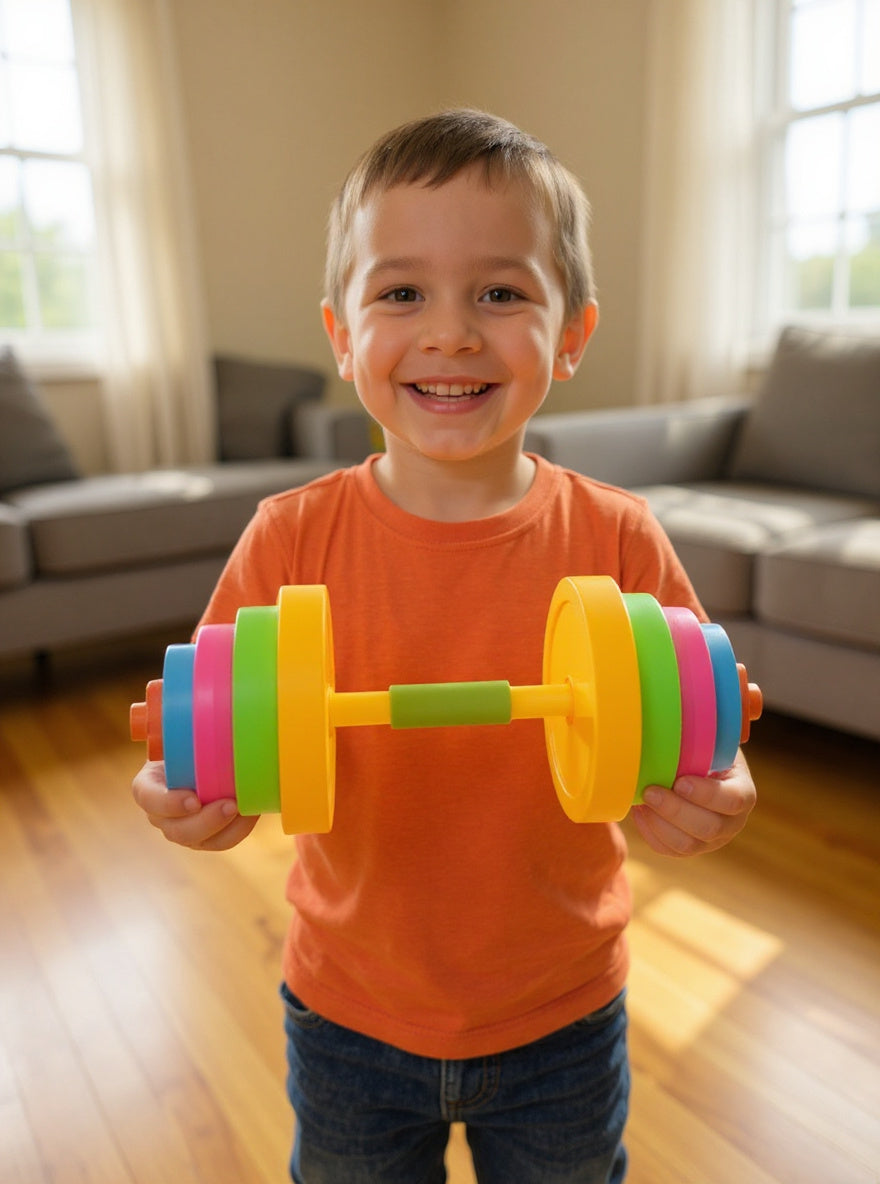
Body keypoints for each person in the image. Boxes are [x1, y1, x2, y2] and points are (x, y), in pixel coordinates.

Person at [132, 108, 756, 1183]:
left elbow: (699, 728)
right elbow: (211, 735)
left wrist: (721, 789)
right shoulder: (288, 538)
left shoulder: (618, 537)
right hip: (349, 1013)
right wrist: (182, 794)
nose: (453, 333)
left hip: (563, 1011)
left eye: (501, 294)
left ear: (572, 334)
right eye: (401, 293)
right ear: (341, 335)